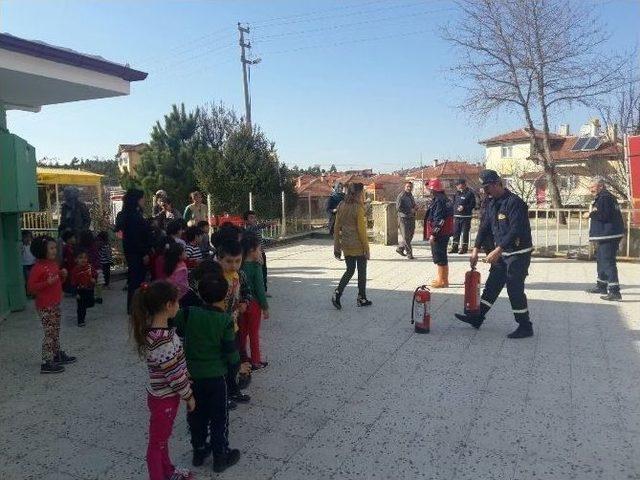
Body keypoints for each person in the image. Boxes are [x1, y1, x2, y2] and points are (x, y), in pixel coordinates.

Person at [173, 275, 242, 473]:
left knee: (196, 415)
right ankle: (221, 455)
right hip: (217, 379)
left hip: (192, 378)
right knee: (219, 418)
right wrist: (236, 372)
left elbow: (173, 325)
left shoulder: (187, 314)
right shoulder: (225, 321)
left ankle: (199, 451)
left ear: (200, 294)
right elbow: (231, 354)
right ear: (226, 295)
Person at [455, 170, 534, 339]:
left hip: (518, 253)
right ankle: (477, 318)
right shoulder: (492, 203)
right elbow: (485, 227)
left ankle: (525, 325)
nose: (486, 191)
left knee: (514, 288)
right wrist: (475, 248)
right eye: (484, 188)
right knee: (492, 285)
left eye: (488, 187)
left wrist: (498, 250)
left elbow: (515, 230)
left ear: (498, 183)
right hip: (502, 253)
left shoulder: (515, 203)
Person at [130, 281, 195, 480]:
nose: (179, 306)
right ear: (168, 305)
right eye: (177, 302)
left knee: (162, 440)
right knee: (157, 444)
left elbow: (175, 367)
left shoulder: (157, 333)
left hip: (163, 396)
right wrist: (188, 396)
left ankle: (167, 471)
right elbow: (174, 375)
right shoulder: (162, 341)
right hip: (164, 399)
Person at [27, 235, 76, 374]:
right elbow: (31, 288)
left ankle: (56, 354)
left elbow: (56, 281)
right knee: (50, 333)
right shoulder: (38, 267)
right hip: (44, 305)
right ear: (42, 250)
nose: (55, 251)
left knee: (55, 331)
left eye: (55, 248)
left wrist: (62, 275)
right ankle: (46, 362)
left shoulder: (53, 264)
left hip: (55, 303)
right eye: (51, 248)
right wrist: (46, 283)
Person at [217, 240, 252, 405]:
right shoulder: (216, 279)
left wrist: (243, 302)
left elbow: (241, 295)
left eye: (237, 261)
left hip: (233, 325)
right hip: (220, 329)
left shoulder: (237, 276)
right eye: (229, 261)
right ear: (219, 259)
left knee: (234, 361)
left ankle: (232, 390)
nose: (234, 265)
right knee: (225, 363)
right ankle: (223, 395)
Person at [332, 182, 372, 309]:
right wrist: (367, 248)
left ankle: (338, 293)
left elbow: (337, 227)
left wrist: (336, 247)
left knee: (349, 270)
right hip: (358, 245)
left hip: (346, 244)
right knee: (362, 272)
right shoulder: (358, 208)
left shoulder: (341, 205)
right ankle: (362, 298)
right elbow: (361, 231)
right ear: (359, 193)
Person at [584, 177, 624, 301]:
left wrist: (590, 214)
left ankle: (614, 291)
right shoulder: (605, 197)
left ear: (600, 186)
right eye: (589, 188)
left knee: (608, 262)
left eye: (593, 188)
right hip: (606, 234)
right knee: (601, 260)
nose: (591, 190)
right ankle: (601, 286)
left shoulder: (604, 197)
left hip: (609, 234)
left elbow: (604, 215)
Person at [115, 188, 152, 313]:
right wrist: (144, 253)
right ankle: (134, 307)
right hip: (136, 253)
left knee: (135, 279)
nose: (144, 200)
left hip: (133, 252)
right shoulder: (133, 216)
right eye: (142, 198)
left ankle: (134, 306)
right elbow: (137, 238)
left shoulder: (133, 213)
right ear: (136, 200)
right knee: (136, 280)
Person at [240, 234, 269, 370]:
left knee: (242, 333)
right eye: (258, 249)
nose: (260, 252)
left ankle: (243, 358)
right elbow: (259, 288)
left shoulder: (239, 265)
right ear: (252, 251)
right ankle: (256, 361)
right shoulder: (256, 267)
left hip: (241, 304)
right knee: (254, 333)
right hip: (254, 304)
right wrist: (265, 307)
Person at [424, 178, 454, 288]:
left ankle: (443, 281)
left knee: (440, 256)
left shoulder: (439, 201)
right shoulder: (444, 199)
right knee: (441, 256)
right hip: (444, 232)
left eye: (429, 188)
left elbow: (440, 219)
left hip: (440, 233)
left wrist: (433, 234)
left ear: (433, 189)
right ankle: (441, 278)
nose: (428, 190)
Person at [243, 210, 270, 295]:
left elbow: (260, 239)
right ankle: (257, 291)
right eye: (251, 218)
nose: (254, 219)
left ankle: (264, 290)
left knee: (264, 271)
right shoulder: (249, 229)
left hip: (262, 253)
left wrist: (268, 241)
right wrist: (267, 223)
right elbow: (258, 227)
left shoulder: (256, 230)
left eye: (254, 217)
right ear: (246, 221)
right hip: (254, 255)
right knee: (258, 273)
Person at [449, 178, 476, 254]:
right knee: (456, 232)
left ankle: (464, 248)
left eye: (458, 184)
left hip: (466, 217)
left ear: (463, 184)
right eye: (456, 185)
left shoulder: (469, 193)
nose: (457, 186)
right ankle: (455, 247)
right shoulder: (456, 194)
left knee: (465, 233)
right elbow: (453, 204)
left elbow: (473, 204)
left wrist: (464, 208)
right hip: (457, 216)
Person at [71, 250, 96, 327]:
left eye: (85, 258)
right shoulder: (75, 270)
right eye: (80, 258)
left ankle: (83, 312)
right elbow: (73, 282)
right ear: (76, 260)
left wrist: (94, 279)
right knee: (81, 307)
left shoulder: (90, 267)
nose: (83, 259)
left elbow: (95, 275)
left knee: (90, 303)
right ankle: (80, 320)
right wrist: (75, 293)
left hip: (89, 289)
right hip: (80, 290)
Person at [396, 181, 417, 259]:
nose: (409, 188)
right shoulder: (401, 196)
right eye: (407, 186)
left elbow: (413, 205)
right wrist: (409, 210)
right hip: (403, 218)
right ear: (404, 187)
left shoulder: (411, 195)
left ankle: (400, 248)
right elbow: (398, 208)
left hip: (411, 218)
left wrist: (415, 207)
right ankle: (409, 254)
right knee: (406, 237)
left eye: (410, 187)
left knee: (410, 235)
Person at [60, 230, 77, 295]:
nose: (74, 239)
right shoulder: (67, 248)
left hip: (71, 267)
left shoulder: (70, 247)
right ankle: (69, 291)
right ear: (68, 239)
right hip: (69, 267)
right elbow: (68, 259)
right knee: (69, 279)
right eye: (73, 238)